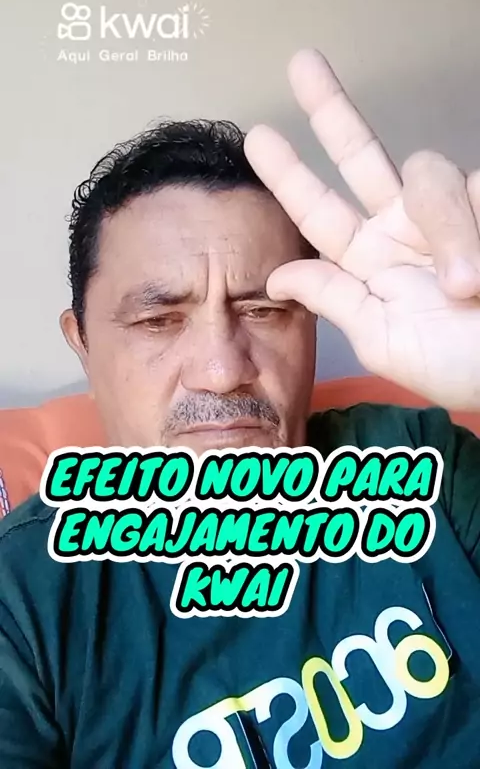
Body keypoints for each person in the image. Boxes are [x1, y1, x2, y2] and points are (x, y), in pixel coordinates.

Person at [1, 49, 480, 768]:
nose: (224, 371)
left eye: (263, 310)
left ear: (312, 321)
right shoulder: (22, 604)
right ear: (84, 345)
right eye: (159, 321)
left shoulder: (423, 466)